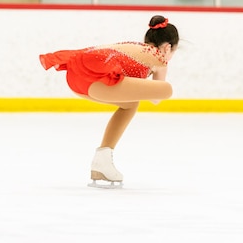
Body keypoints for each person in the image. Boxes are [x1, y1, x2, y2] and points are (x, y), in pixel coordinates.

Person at [39, 15, 179, 188]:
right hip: (93, 79)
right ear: (167, 48)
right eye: (174, 52)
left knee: (130, 104)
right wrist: (161, 67)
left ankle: (102, 161)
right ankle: (102, 159)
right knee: (167, 90)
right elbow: (157, 97)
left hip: (76, 78)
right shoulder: (159, 56)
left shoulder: (136, 48)